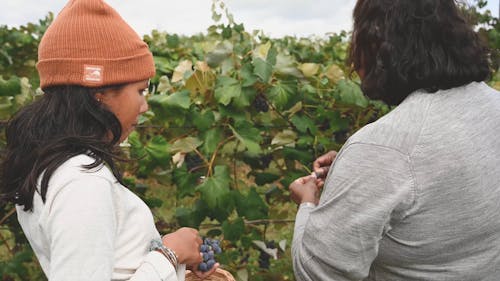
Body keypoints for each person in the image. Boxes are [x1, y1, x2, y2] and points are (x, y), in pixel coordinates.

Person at [0, 0, 218, 280]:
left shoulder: (54, 165)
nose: (145, 106)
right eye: (140, 90)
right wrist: (169, 255)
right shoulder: (82, 182)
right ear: (98, 91)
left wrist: (171, 268)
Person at [290, 0, 500, 280]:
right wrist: (353, 169)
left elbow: (316, 271)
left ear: (376, 45)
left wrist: (307, 204)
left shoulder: (384, 150)